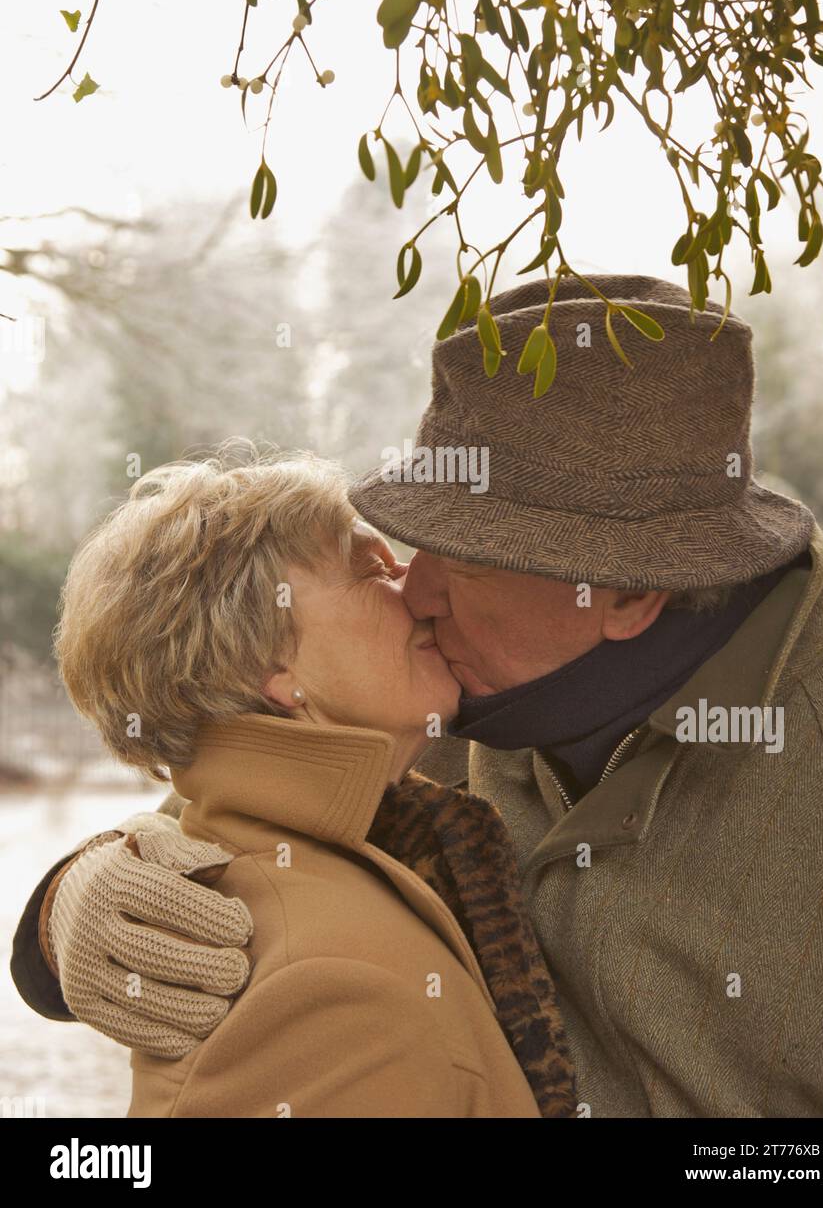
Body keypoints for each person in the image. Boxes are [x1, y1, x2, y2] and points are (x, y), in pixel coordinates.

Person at [12, 274, 823, 1116]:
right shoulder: (457, 689)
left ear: (627, 593)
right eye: (407, 545)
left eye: (462, 560)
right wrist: (66, 905)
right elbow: (239, 795)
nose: (412, 592)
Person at [26, 447, 575, 1118]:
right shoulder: (325, 992)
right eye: (372, 568)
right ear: (272, 664)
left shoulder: (330, 830)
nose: (416, 587)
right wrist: (60, 904)